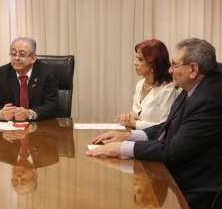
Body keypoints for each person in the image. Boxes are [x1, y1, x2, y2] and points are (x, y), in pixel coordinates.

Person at [87, 38, 222, 192]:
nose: (170, 70)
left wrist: (123, 148)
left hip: (192, 188)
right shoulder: (192, 88)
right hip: (176, 175)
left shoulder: (207, 100)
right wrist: (128, 136)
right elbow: (168, 126)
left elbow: (174, 150)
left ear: (193, 69)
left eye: (174, 65)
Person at [0, 37, 60, 121]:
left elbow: (53, 105)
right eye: (13, 54)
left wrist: (30, 114)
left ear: (33, 58)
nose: (16, 58)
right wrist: (1, 114)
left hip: (40, 126)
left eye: (22, 54)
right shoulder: (1, 73)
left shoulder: (48, 72)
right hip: (11, 129)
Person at [115, 39, 178, 129]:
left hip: (155, 141)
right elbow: (138, 117)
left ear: (153, 63)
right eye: (136, 58)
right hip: (136, 136)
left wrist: (134, 124)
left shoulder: (167, 89)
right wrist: (127, 118)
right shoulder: (140, 84)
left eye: (140, 59)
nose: (135, 63)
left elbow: (166, 127)